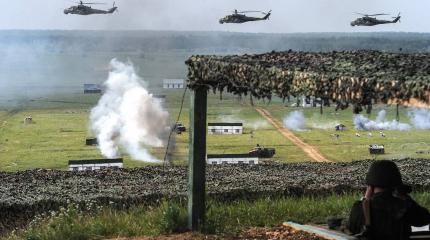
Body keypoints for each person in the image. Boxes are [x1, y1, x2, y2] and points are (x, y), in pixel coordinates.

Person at [348, 160, 430, 239]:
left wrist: (365, 200)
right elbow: (424, 219)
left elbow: (353, 230)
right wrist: (406, 198)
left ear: (370, 186)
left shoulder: (359, 208)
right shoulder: (404, 207)